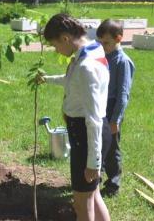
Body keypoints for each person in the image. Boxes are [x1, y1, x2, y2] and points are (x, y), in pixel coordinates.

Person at [39, 13, 112, 221]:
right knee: (93, 195)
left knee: (82, 203)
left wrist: (93, 162)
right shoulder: (92, 50)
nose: (56, 50)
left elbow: (94, 118)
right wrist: (48, 79)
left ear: (65, 38)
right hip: (88, 133)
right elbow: (73, 81)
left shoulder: (86, 66)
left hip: (87, 135)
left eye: (55, 45)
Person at [96, 19, 135, 197]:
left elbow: (123, 94)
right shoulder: (103, 56)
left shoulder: (122, 62)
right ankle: (95, 177)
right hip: (100, 106)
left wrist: (115, 120)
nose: (103, 46)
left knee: (112, 149)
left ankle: (113, 185)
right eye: (100, 42)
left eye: (106, 43)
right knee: (98, 144)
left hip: (112, 108)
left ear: (119, 38)